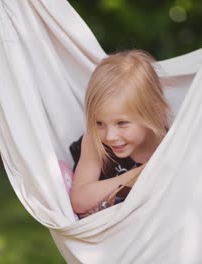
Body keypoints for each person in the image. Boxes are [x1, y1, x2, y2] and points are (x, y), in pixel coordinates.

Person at [69, 49, 171, 219]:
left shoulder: (169, 144)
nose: (110, 136)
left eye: (122, 123)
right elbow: (79, 201)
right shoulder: (95, 141)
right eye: (99, 123)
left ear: (154, 112)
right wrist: (140, 173)